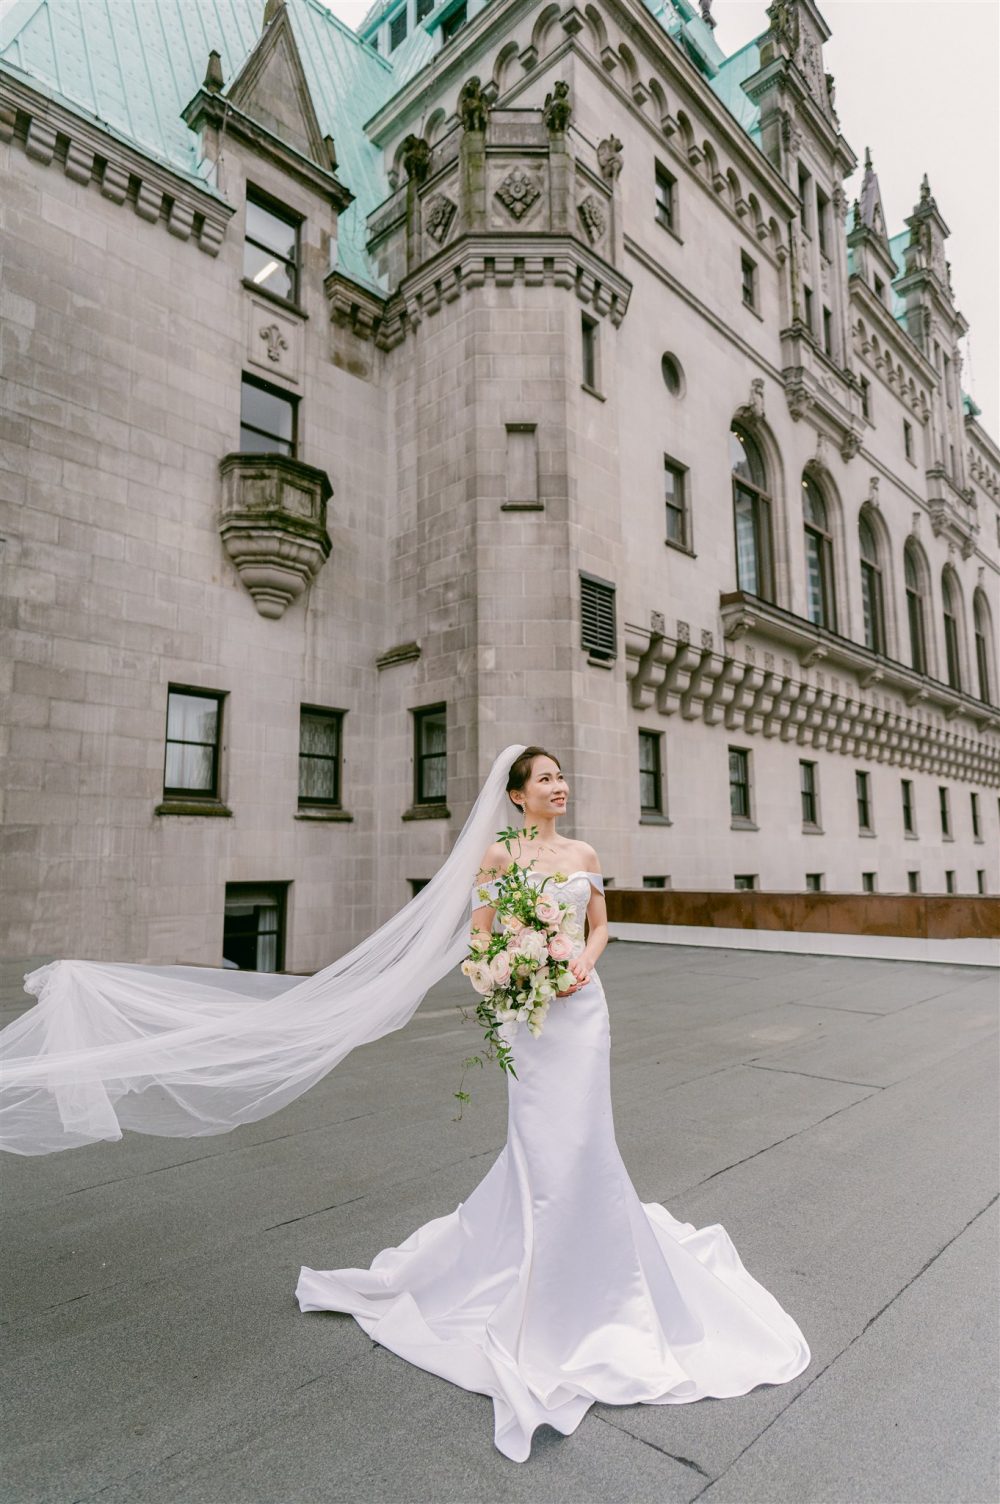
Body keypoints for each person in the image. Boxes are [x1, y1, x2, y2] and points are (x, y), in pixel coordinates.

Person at [295, 747, 811, 1463]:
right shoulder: (500, 860)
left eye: (561, 776)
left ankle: (599, 1274)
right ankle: (535, 1278)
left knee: (586, 1142)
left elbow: (599, 923)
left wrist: (580, 963)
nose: (559, 786)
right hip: (527, 1021)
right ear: (516, 796)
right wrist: (507, 975)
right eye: (544, 779)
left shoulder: (583, 850)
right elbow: (478, 942)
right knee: (542, 1145)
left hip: (582, 1010)